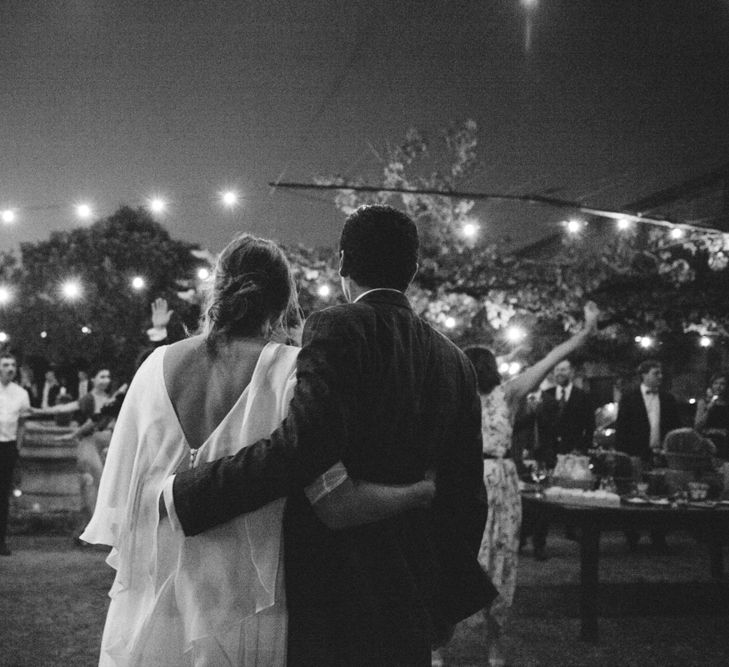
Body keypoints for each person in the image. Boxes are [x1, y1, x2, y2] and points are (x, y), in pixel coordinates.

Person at [81, 231, 439, 666]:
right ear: (284, 299)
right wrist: (419, 492)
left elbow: (122, 500)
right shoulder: (292, 371)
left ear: (218, 288)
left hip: (152, 600)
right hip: (244, 602)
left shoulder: (153, 366)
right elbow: (337, 502)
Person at [162, 205, 494, 666]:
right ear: (414, 269)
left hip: (334, 583)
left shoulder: (337, 326)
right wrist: (446, 601)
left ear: (341, 263)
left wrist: (194, 493)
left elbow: (304, 446)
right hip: (414, 589)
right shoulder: (456, 361)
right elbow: (467, 497)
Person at [462, 301, 599, 667]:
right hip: (474, 481)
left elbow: (550, 361)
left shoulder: (506, 394)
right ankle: (443, 643)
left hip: (497, 483)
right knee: (462, 556)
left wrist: (585, 333)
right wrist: (584, 330)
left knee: (501, 559)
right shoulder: (455, 399)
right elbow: (550, 359)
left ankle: (493, 641)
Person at [531, 358, 595, 558]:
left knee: (574, 496)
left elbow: (590, 426)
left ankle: (573, 530)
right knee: (544, 500)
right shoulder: (546, 395)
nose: (560, 372)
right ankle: (539, 543)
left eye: (564, 369)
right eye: (557, 369)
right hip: (549, 454)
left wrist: (581, 449)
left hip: (573, 455)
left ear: (572, 372)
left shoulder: (583, 396)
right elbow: (539, 427)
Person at [615, 359, 681, 551]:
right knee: (634, 493)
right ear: (643, 375)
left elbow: (675, 427)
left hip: (660, 455)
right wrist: (625, 455)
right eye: (655, 373)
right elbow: (621, 428)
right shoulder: (629, 397)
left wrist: (669, 451)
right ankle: (632, 535)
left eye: (661, 373)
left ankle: (658, 536)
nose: (660, 377)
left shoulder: (668, 399)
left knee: (661, 495)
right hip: (636, 454)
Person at [0, 352, 31, 556]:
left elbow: (22, 423)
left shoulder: (21, 393)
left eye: (12, 365)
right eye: (5, 365)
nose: (10, 368)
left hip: (7, 447)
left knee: (3, 494)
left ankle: (1, 540)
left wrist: (17, 448)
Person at [694, 371, 729, 459]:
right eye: (715, 383)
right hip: (708, 442)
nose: (718, 387)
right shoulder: (704, 402)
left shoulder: (726, 404)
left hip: (725, 443)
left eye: (722, 384)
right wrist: (708, 410)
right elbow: (697, 426)